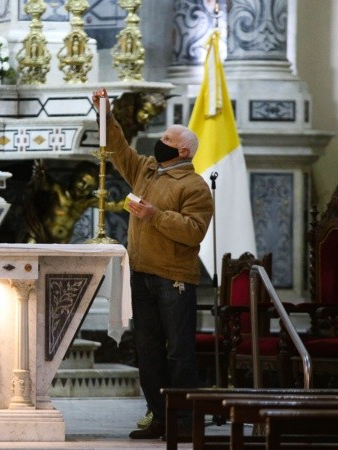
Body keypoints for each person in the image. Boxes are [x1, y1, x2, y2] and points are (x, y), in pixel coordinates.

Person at [92, 88, 214, 440]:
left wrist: (154, 215)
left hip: (173, 278)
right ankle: (158, 417)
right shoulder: (146, 170)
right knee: (147, 351)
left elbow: (193, 232)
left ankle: (183, 422)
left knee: (178, 352)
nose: (159, 143)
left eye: (166, 139)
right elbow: (118, 150)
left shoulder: (194, 186)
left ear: (183, 150)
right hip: (141, 274)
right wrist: (105, 114)